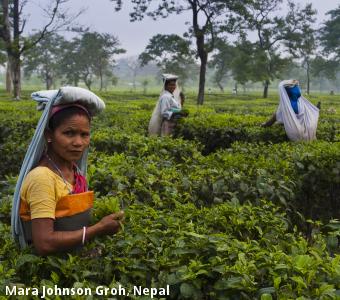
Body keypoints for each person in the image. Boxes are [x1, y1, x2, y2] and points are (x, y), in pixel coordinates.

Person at [12, 87, 124, 255]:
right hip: (50, 273)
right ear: (49, 135)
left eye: (84, 134)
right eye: (69, 133)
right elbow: (44, 243)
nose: (78, 142)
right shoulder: (42, 178)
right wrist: (98, 228)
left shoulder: (73, 172)